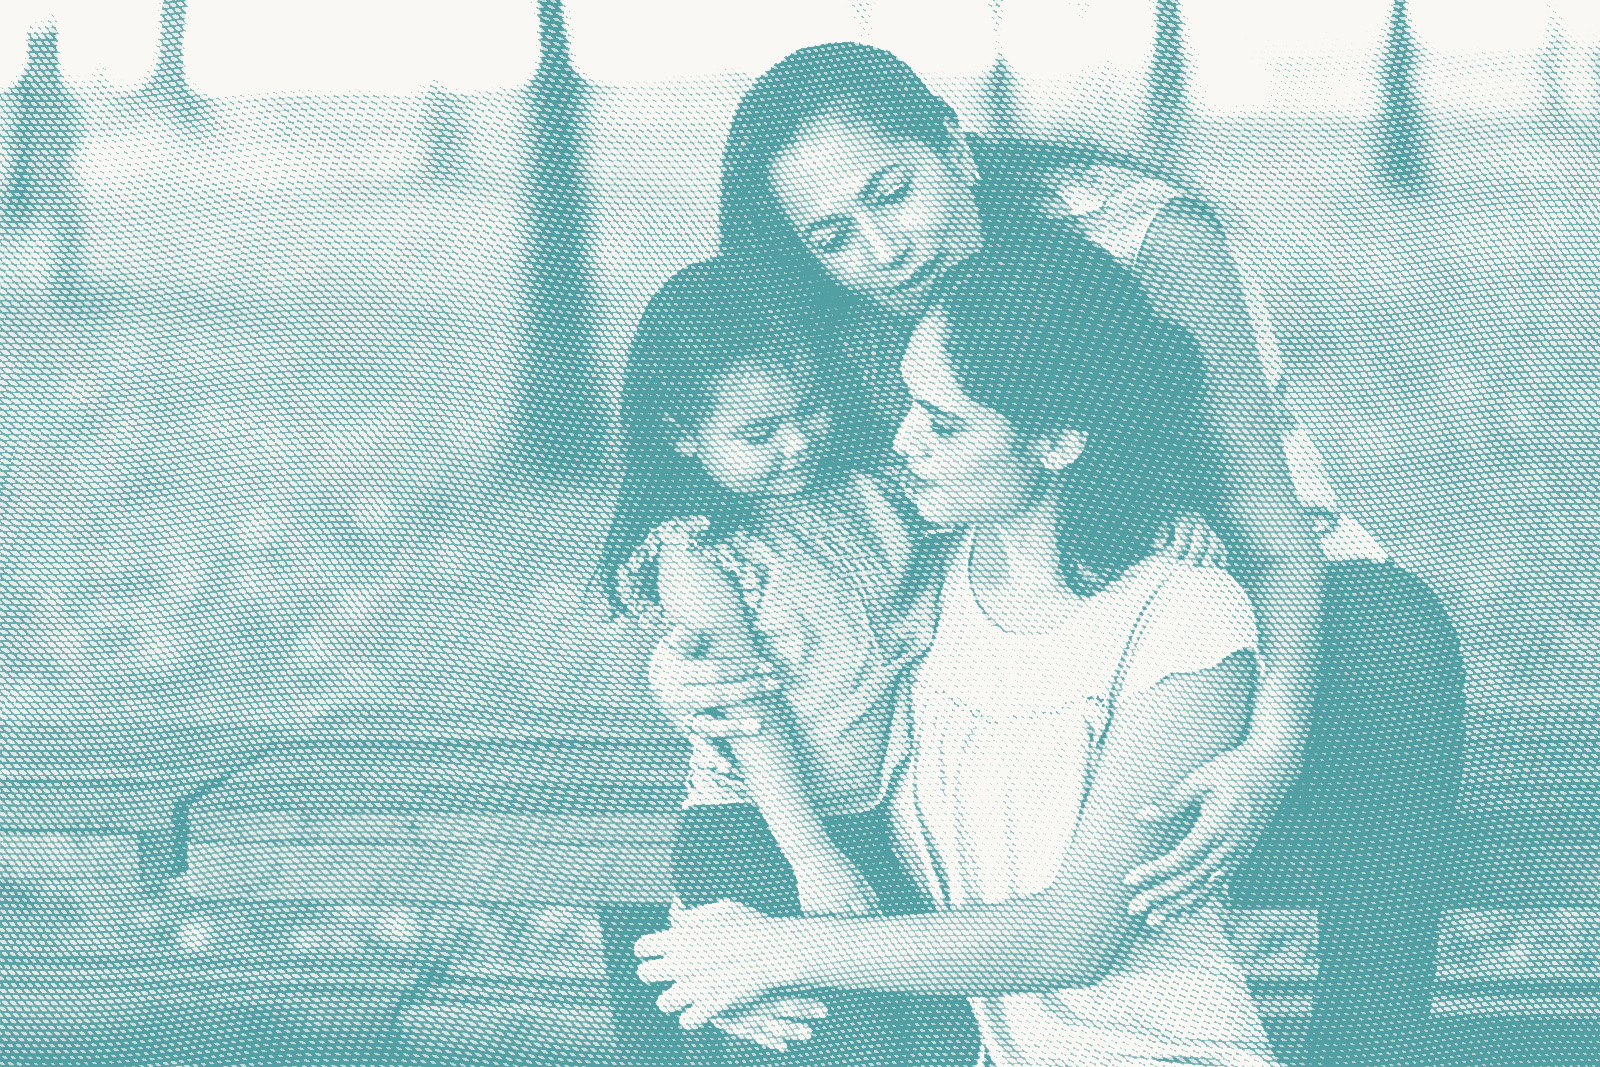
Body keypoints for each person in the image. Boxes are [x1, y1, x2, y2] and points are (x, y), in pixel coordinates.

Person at [649, 42, 1464, 1067]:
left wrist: (1269, 749)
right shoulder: (835, 323)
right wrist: (696, 671)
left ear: (953, 143)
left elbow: (1267, 524)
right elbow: (789, 566)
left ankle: (1370, 1041)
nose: (882, 248)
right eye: (833, 235)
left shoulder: (1144, 243)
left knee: (1388, 640)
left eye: (891, 193)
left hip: (1219, 564)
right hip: (986, 613)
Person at [639, 239, 1284, 1067]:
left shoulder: (1182, 611)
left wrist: (773, 952)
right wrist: (686, 684)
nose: (902, 441)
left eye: (942, 421)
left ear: (1057, 442)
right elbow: (790, 677)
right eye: (908, 403)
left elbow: (1075, 938)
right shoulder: (933, 580)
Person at [600, 257, 984, 1065]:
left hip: (877, 823)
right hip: (759, 830)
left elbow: (1002, 508)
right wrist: (812, 856)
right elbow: (750, 712)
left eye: (809, 411)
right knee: (821, 1042)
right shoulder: (700, 550)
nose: (796, 442)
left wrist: (1151, 523)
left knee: (937, 1039)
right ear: (682, 437)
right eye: (757, 432)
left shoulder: (876, 493)